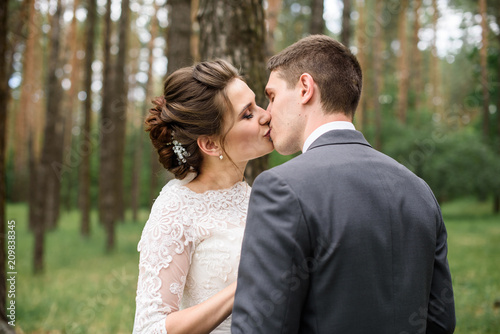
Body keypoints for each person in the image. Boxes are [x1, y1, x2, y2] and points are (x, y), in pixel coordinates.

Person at [232, 35, 456, 334]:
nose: (267, 113)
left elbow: (259, 327)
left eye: (271, 96)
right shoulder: (418, 189)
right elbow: (441, 320)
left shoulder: (281, 187)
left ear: (305, 88)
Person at [132, 59, 273, 334]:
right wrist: (245, 285)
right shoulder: (176, 208)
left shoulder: (258, 198)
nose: (265, 115)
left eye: (257, 104)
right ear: (210, 143)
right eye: (247, 114)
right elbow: (150, 328)